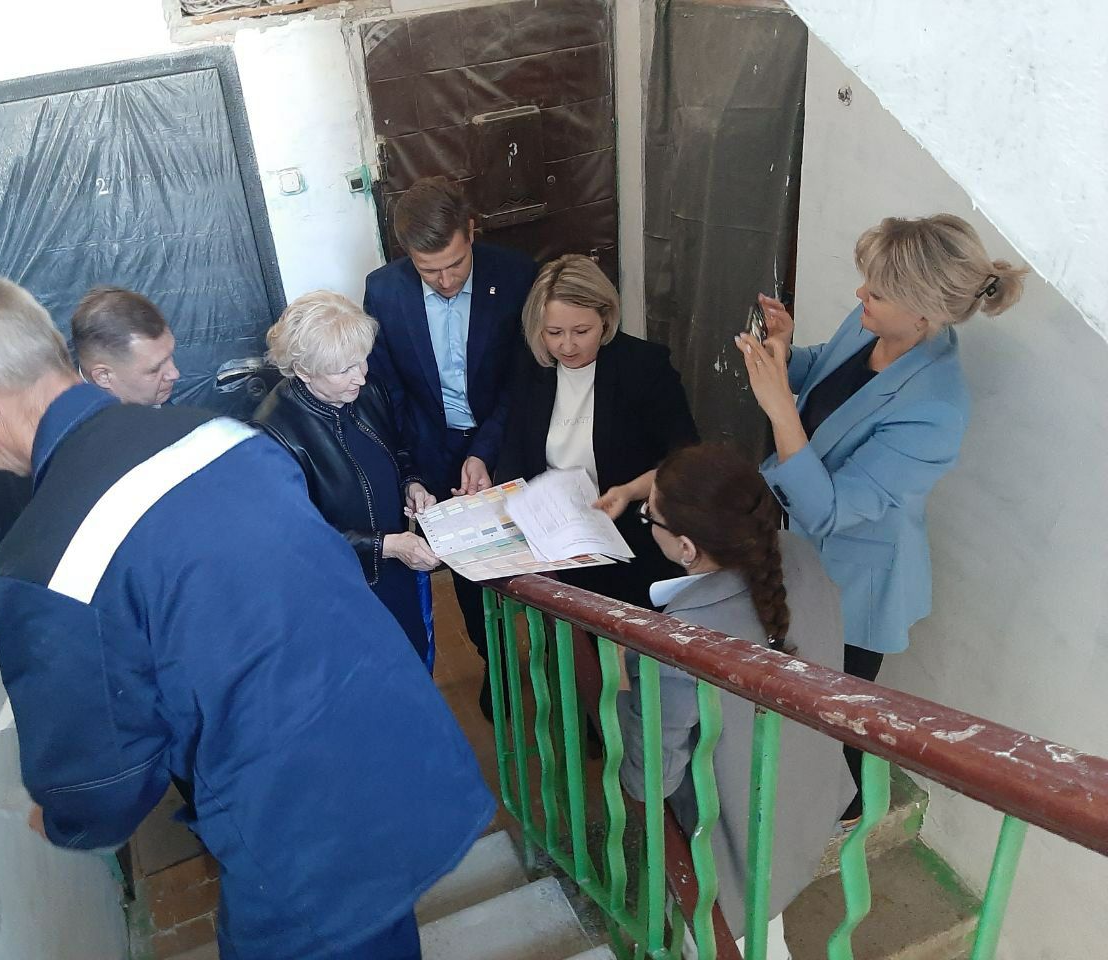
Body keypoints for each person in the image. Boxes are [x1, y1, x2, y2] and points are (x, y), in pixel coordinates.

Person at [0, 274, 495, 960]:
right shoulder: (218, 434)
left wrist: (62, 815)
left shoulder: (47, 566)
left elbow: (99, 793)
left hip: (300, 827)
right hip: (403, 747)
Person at [735, 213, 1026, 822]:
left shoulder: (936, 408)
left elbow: (831, 510)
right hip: (798, 548)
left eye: (878, 291)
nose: (860, 294)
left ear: (924, 311)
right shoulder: (871, 323)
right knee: (796, 686)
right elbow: (825, 377)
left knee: (839, 712)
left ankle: (840, 816)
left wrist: (779, 409)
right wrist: (784, 354)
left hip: (857, 581)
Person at [619, 444, 848, 959]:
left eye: (648, 515)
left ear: (686, 547)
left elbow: (649, 779)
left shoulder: (678, 642)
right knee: (764, 927)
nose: (645, 519)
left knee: (726, 940)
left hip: (733, 841)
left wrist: (622, 690)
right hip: (807, 797)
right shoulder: (797, 552)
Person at [364, 176, 537, 713]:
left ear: (471, 231)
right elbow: (390, 393)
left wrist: (484, 451)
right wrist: (411, 472)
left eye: (456, 265)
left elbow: (523, 381)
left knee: (539, 555)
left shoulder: (516, 275)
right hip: (432, 449)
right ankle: (496, 664)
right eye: (428, 270)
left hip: (507, 440)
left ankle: (562, 671)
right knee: (467, 570)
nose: (444, 281)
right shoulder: (383, 291)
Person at [497, 254, 699, 610]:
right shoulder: (532, 369)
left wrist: (629, 491)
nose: (567, 346)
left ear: (605, 320)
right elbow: (515, 447)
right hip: (559, 542)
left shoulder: (644, 366)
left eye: (581, 331)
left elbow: (685, 460)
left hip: (631, 542)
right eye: (553, 333)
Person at [253, 291, 440, 663]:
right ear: (304, 371)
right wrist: (385, 545)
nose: (361, 375)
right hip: (339, 587)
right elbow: (295, 535)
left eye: (362, 360)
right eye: (344, 370)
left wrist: (411, 483)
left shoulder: (367, 391)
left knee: (412, 659)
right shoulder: (273, 432)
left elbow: (398, 450)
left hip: (395, 567)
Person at [71, 285, 180, 405]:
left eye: (170, 355)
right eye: (155, 370)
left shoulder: (145, 391)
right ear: (104, 376)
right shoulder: (71, 412)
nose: (174, 374)